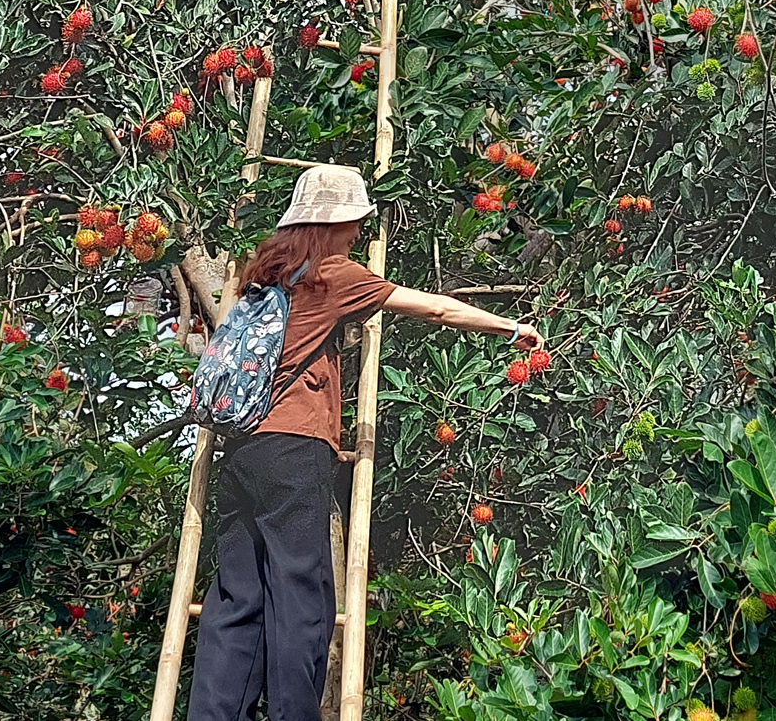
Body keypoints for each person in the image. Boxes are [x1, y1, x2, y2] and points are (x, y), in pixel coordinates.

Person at [188, 164, 543, 721]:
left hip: (240, 447)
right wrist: (511, 328)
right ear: (332, 224)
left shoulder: (263, 274)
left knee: (238, 595)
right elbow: (436, 307)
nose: (357, 233)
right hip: (294, 447)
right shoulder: (331, 274)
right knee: (301, 595)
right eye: (353, 222)